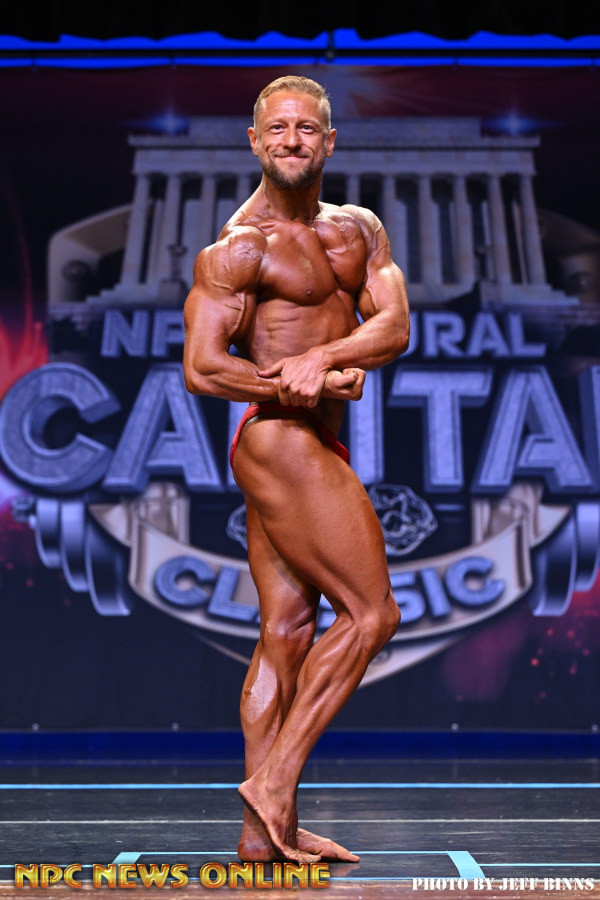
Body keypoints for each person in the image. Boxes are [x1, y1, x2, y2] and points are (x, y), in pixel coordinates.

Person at [183, 75, 410, 865]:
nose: (291, 140)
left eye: (306, 129)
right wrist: (292, 382)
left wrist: (324, 357)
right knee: (373, 615)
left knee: (286, 632)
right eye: (276, 129)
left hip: (309, 437)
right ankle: (274, 784)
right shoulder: (240, 247)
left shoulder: (359, 230)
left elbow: (394, 326)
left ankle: (261, 837)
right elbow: (202, 367)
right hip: (279, 438)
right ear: (254, 142)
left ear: (329, 141)